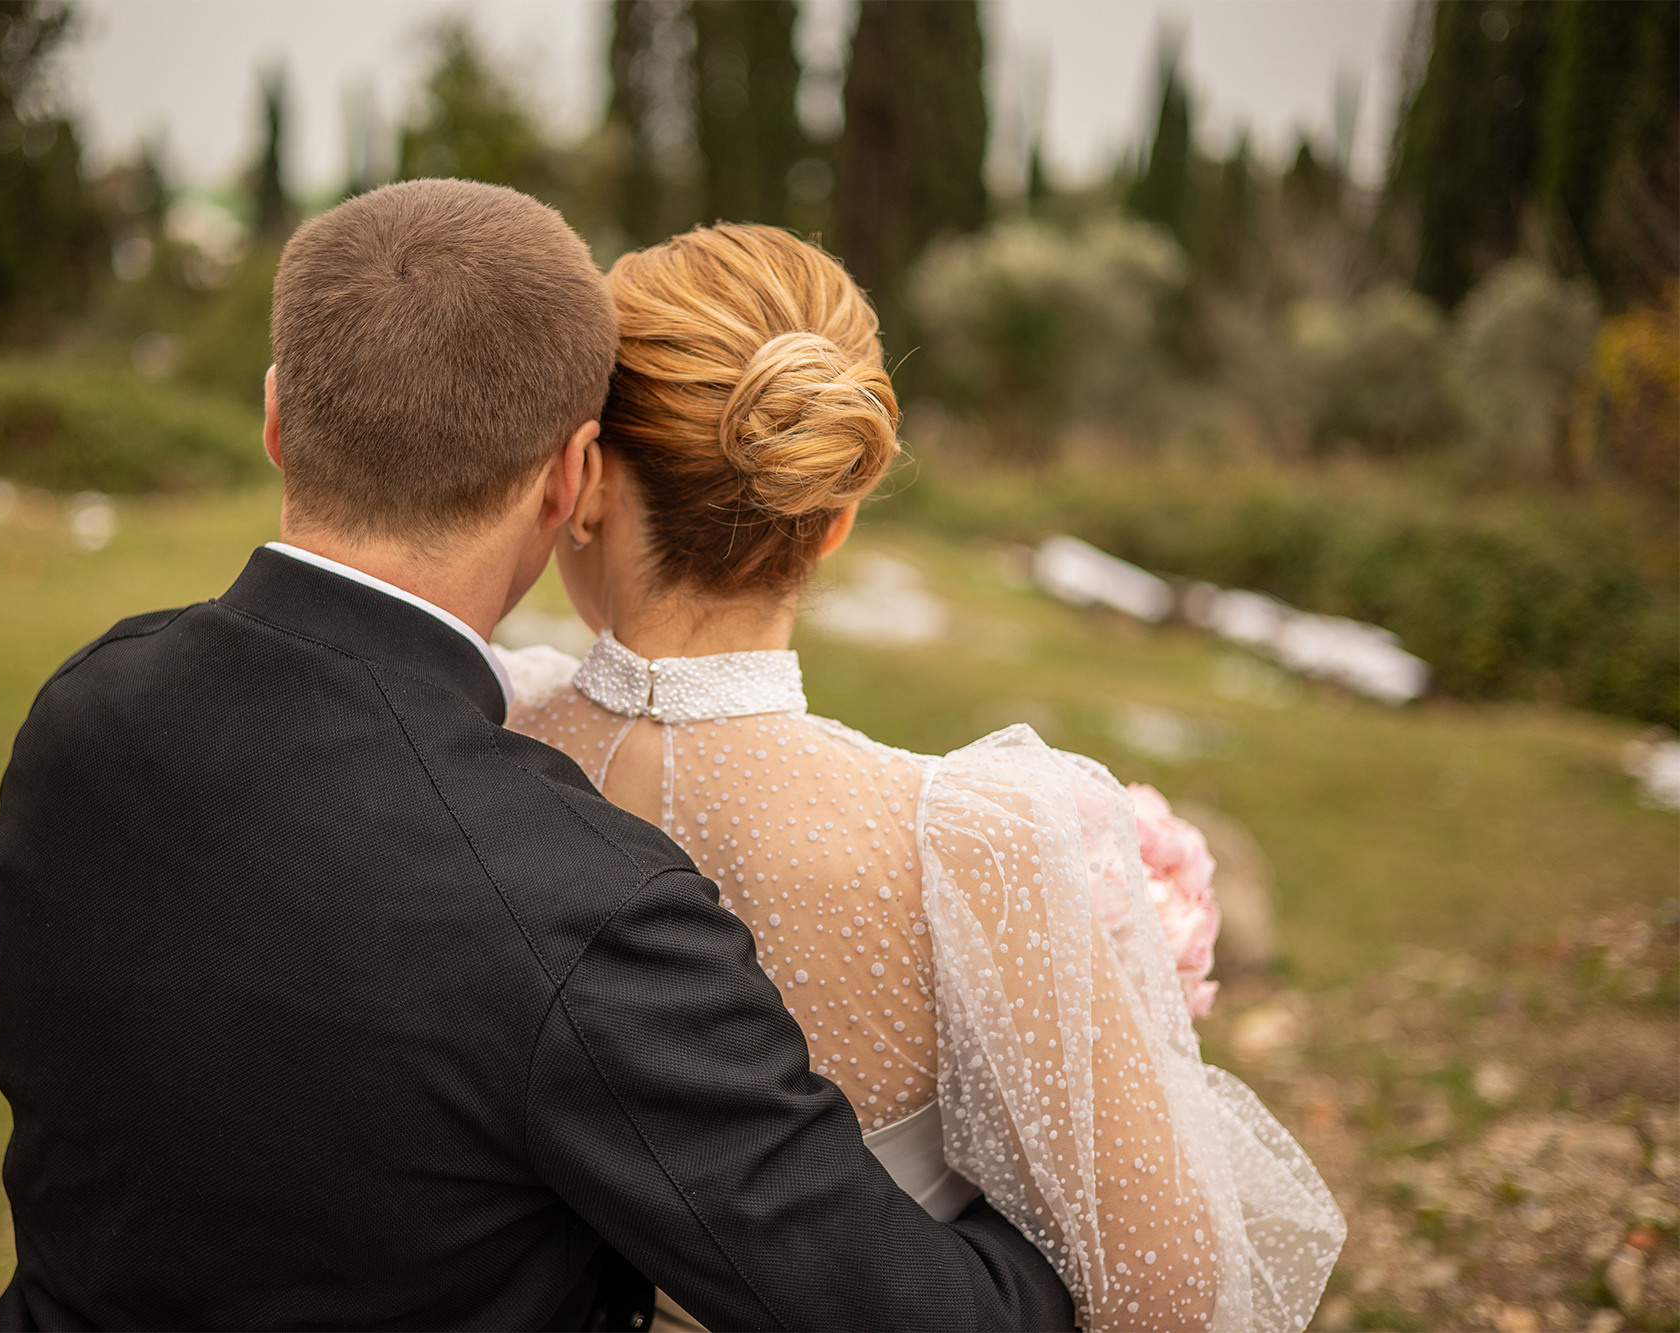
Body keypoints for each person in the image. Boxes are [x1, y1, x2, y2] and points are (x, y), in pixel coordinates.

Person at [0, 180, 1077, 1331]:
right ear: (569, 477)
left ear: (274, 418)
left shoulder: (81, 710)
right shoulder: (579, 905)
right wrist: (1039, 1206)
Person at [498, 224, 1347, 1332]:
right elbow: (1169, 1299)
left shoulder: (480, 734)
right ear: (836, 511)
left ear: (586, 478)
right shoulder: (973, 841)